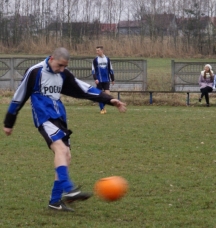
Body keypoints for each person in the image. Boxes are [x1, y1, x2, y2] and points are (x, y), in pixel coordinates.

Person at [3, 47, 126, 212]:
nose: (61, 69)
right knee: (60, 149)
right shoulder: (35, 72)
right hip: (44, 117)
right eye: (60, 65)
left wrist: (110, 100)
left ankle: (55, 201)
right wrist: (9, 121)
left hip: (59, 117)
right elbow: (19, 96)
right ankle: (69, 188)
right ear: (52, 58)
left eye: (64, 66)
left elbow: (84, 89)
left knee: (66, 155)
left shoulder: (63, 73)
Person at [92, 46, 115, 114]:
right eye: (96, 50)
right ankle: (102, 109)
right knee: (100, 95)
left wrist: (113, 79)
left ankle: (103, 107)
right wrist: (95, 79)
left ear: (102, 51)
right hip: (99, 80)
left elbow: (111, 69)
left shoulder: (107, 59)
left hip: (106, 80)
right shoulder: (95, 60)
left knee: (107, 96)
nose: (97, 52)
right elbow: (93, 70)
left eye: (98, 50)